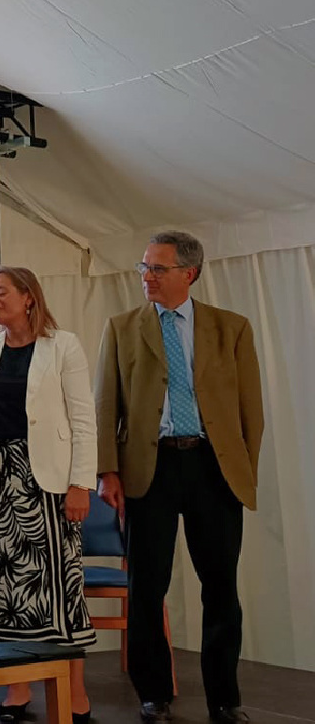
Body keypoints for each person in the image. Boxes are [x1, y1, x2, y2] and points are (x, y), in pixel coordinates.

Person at [95, 231, 263, 724]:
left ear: (189, 273)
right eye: (143, 267)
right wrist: (108, 470)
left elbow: (250, 409)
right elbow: (107, 405)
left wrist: (242, 469)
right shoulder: (123, 327)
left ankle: (225, 699)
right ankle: (153, 693)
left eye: (157, 268)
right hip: (150, 468)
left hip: (213, 467)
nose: (146, 276)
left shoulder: (230, 328)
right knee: (147, 586)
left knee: (220, 587)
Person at [0, 266, 96, 724]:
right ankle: (16, 688)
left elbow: (83, 420)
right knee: (4, 592)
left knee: (59, 592)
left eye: (1, 292)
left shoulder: (64, 345)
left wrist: (81, 483)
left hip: (49, 484)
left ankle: (73, 694)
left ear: (28, 297)